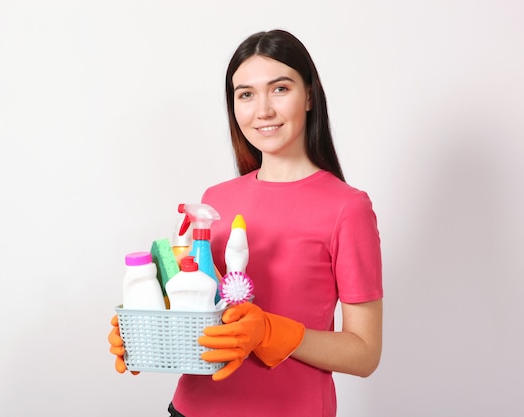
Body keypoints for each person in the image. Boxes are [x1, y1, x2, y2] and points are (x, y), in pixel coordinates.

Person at [109, 29, 383, 417]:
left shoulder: (348, 209)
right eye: (246, 94)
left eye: (280, 89)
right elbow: (197, 313)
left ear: (309, 95)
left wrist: (271, 332)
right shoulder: (216, 200)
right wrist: (147, 331)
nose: (263, 110)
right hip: (191, 409)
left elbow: (365, 353)